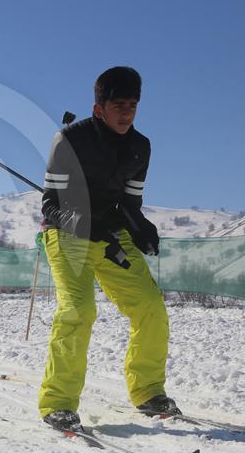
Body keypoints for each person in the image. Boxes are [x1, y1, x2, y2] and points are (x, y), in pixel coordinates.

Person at [38, 66, 177, 433]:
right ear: (99, 108)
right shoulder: (69, 140)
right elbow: (49, 205)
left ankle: (148, 392)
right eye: (118, 104)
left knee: (150, 307)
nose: (126, 112)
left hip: (111, 235)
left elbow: (130, 205)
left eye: (132, 104)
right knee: (79, 310)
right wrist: (83, 223)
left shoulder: (139, 147)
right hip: (66, 235)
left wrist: (143, 228)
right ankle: (59, 403)